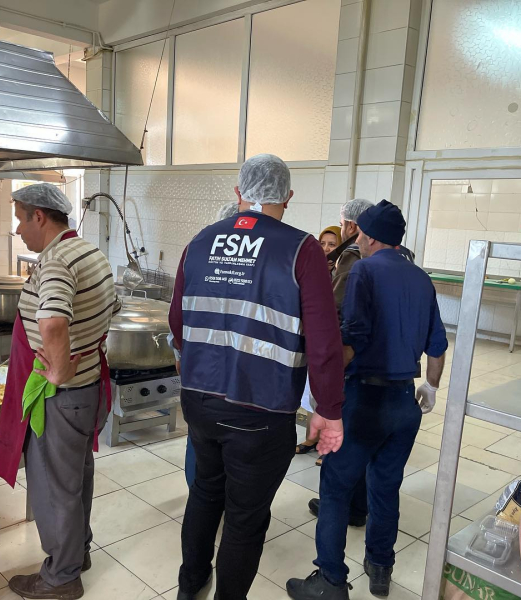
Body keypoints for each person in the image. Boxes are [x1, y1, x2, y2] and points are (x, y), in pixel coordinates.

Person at [169, 154, 346, 600]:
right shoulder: (301, 250)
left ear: (239, 193)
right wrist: (329, 411)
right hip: (261, 411)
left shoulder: (199, 243)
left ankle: (190, 587)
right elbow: (324, 342)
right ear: (287, 196)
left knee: (206, 493)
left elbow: (177, 323)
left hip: (200, 401)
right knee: (245, 517)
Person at [287, 200, 447, 600]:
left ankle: (330, 580)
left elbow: (353, 336)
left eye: (358, 232)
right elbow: (438, 345)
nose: (355, 236)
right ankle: (380, 569)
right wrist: (430, 386)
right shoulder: (421, 278)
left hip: (363, 401)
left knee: (336, 488)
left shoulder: (363, 269)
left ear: (370, 236)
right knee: (385, 487)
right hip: (404, 405)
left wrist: (323, 379)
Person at [0, 183, 119, 600]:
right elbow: (111, 308)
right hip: (90, 393)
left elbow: (52, 321)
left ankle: (61, 577)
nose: (19, 229)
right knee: (76, 478)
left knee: (52, 487)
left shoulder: (57, 262)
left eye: (19, 219)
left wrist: (59, 370)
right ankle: (76, 552)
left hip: (63, 399)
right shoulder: (90, 252)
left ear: (39, 217)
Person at [171, 200, 241, 488]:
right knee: (238, 447)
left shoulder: (196, 251)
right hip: (245, 376)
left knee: (201, 442)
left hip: (201, 371)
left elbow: (177, 316)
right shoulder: (267, 259)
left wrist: (180, 352)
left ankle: (201, 496)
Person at [297, 202, 374, 463]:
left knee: (339, 400)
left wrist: (330, 347)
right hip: (377, 351)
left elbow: (337, 307)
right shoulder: (398, 257)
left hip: (350, 345)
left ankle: (332, 451)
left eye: (342, 226)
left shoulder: (351, 256)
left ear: (351, 226)